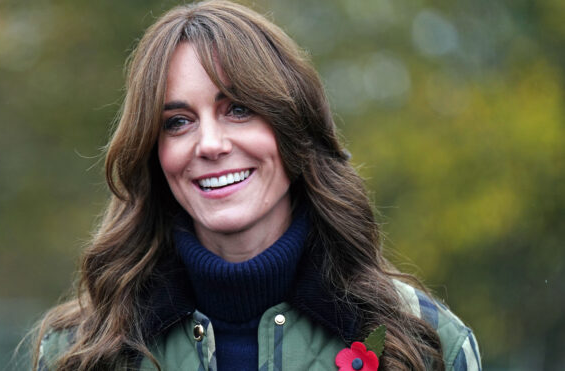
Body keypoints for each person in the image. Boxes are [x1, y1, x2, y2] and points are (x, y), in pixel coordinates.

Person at [35, 1, 481, 370]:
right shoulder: (79, 352)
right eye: (177, 122)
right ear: (153, 153)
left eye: (239, 109)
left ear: (293, 128)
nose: (209, 144)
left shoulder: (424, 342)